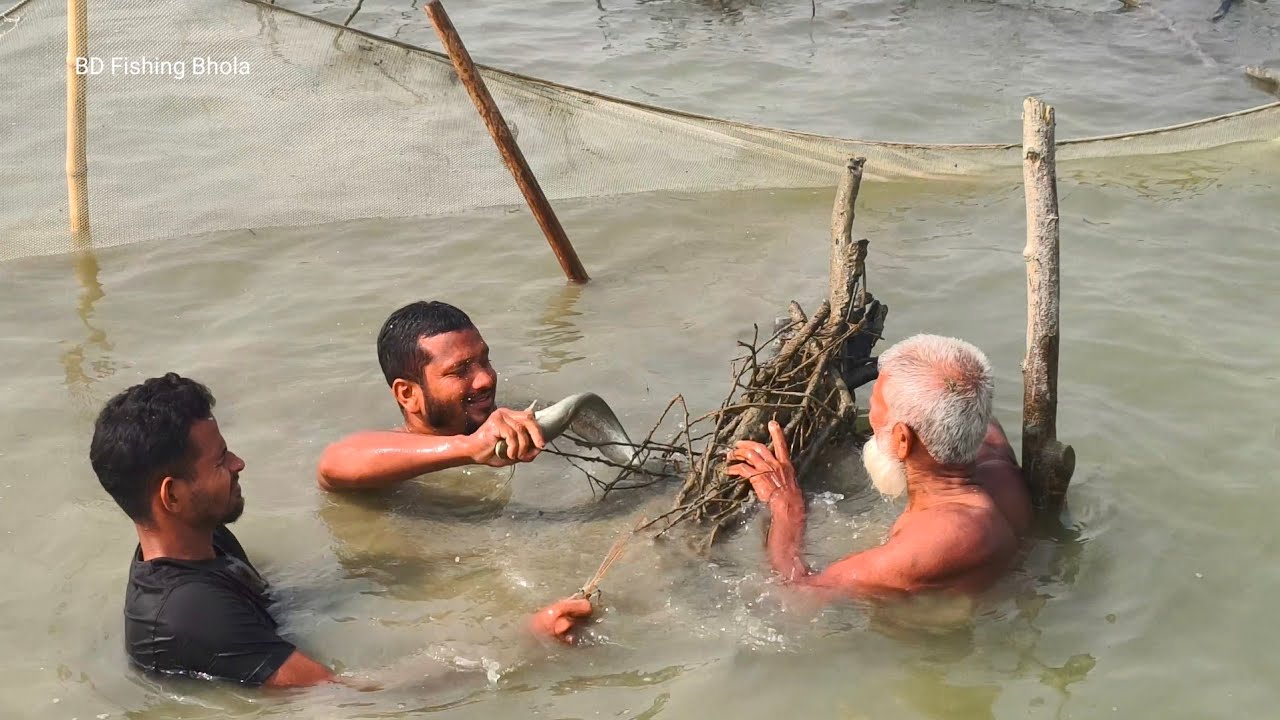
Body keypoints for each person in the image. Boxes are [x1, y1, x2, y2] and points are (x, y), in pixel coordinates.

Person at [90, 373, 592, 688]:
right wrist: (521, 639)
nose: (240, 463)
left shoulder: (202, 537)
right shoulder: (188, 614)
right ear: (172, 496)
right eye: (221, 461)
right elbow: (346, 694)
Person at [725, 334, 1030, 601]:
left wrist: (786, 507)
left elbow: (796, 596)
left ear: (902, 440)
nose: (871, 419)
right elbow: (954, 392)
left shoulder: (945, 537)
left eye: (875, 409)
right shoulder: (990, 447)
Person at [317, 301, 546, 493]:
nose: (485, 379)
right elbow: (333, 462)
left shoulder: (517, 421)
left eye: (485, 361)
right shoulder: (386, 464)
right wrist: (469, 447)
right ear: (408, 394)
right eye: (459, 370)